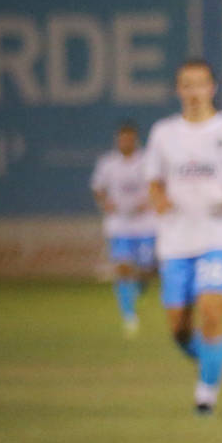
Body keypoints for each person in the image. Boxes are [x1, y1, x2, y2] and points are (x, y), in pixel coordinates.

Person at [145, 59, 222, 415]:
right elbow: (153, 178)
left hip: (219, 237)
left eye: (200, 84)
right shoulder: (163, 134)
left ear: (212, 88)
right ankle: (212, 359)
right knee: (179, 328)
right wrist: (158, 198)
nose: (194, 91)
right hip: (176, 241)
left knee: (211, 310)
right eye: (186, 85)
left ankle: (206, 394)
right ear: (178, 90)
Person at [90, 120, 156, 337]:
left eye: (129, 138)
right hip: (119, 224)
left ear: (135, 139)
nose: (125, 142)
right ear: (118, 140)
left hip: (146, 223)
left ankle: (136, 292)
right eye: (122, 138)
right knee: (124, 267)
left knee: (147, 269)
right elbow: (98, 188)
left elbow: (159, 184)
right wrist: (105, 202)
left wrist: (150, 201)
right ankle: (129, 316)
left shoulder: (147, 161)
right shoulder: (108, 163)